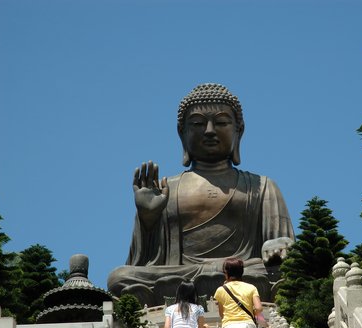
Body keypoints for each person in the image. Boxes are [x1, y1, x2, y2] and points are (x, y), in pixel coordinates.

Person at [108, 83, 295, 305]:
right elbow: (143, 263)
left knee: (286, 275)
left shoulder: (262, 186)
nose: (209, 130)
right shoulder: (166, 188)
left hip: (246, 271)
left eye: (221, 122)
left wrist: (279, 245)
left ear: (239, 130)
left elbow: (286, 250)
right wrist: (148, 220)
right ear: (182, 133)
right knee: (119, 278)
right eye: (197, 124)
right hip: (180, 275)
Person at [214, 258, 263, 328]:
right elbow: (259, 308)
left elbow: (222, 313)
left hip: (228, 327)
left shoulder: (221, 290)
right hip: (247, 326)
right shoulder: (251, 287)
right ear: (241, 272)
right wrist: (253, 314)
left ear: (227, 273)